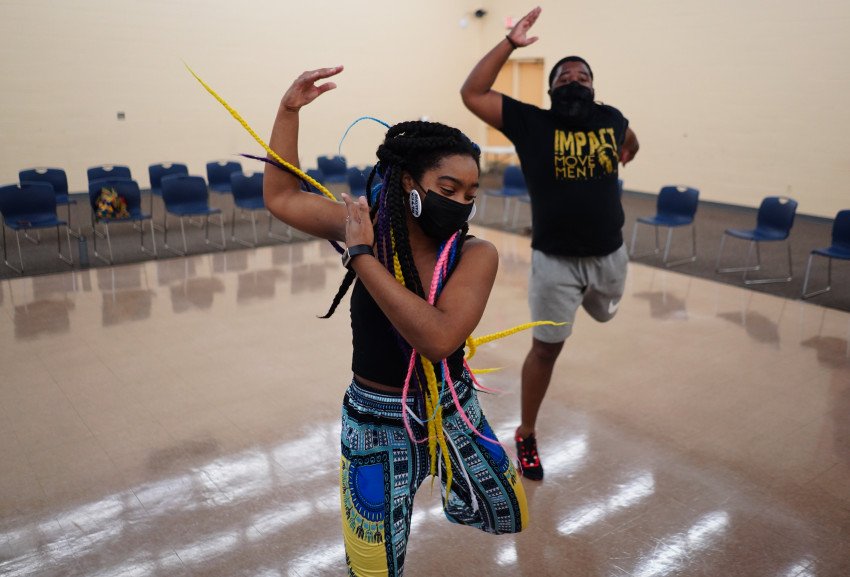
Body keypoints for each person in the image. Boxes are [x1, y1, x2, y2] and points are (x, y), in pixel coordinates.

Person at [263, 66, 528, 576]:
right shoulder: (371, 225)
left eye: (471, 195)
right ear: (409, 181)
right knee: (373, 567)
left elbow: (438, 338)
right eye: (447, 188)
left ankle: (446, 488)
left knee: (507, 512)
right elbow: (282, 197)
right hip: (375, 419)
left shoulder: (475, 254)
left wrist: (361, 257)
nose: (460, 204)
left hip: (452, 407)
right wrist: (288, 111)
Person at [460, 6, 640, 481]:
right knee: (546, 349)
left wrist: (628, 149)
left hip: (609, 257)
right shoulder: (531, 125)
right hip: (554, 263)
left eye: (582, 74)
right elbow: (472, 93)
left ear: (593, 88)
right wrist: (509, 45)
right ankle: (526, 432)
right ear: (551, 88)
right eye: (564, 75)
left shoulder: (611, 118)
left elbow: (631, 139)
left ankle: (594, 302)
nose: (573, 78)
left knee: (604, 314)